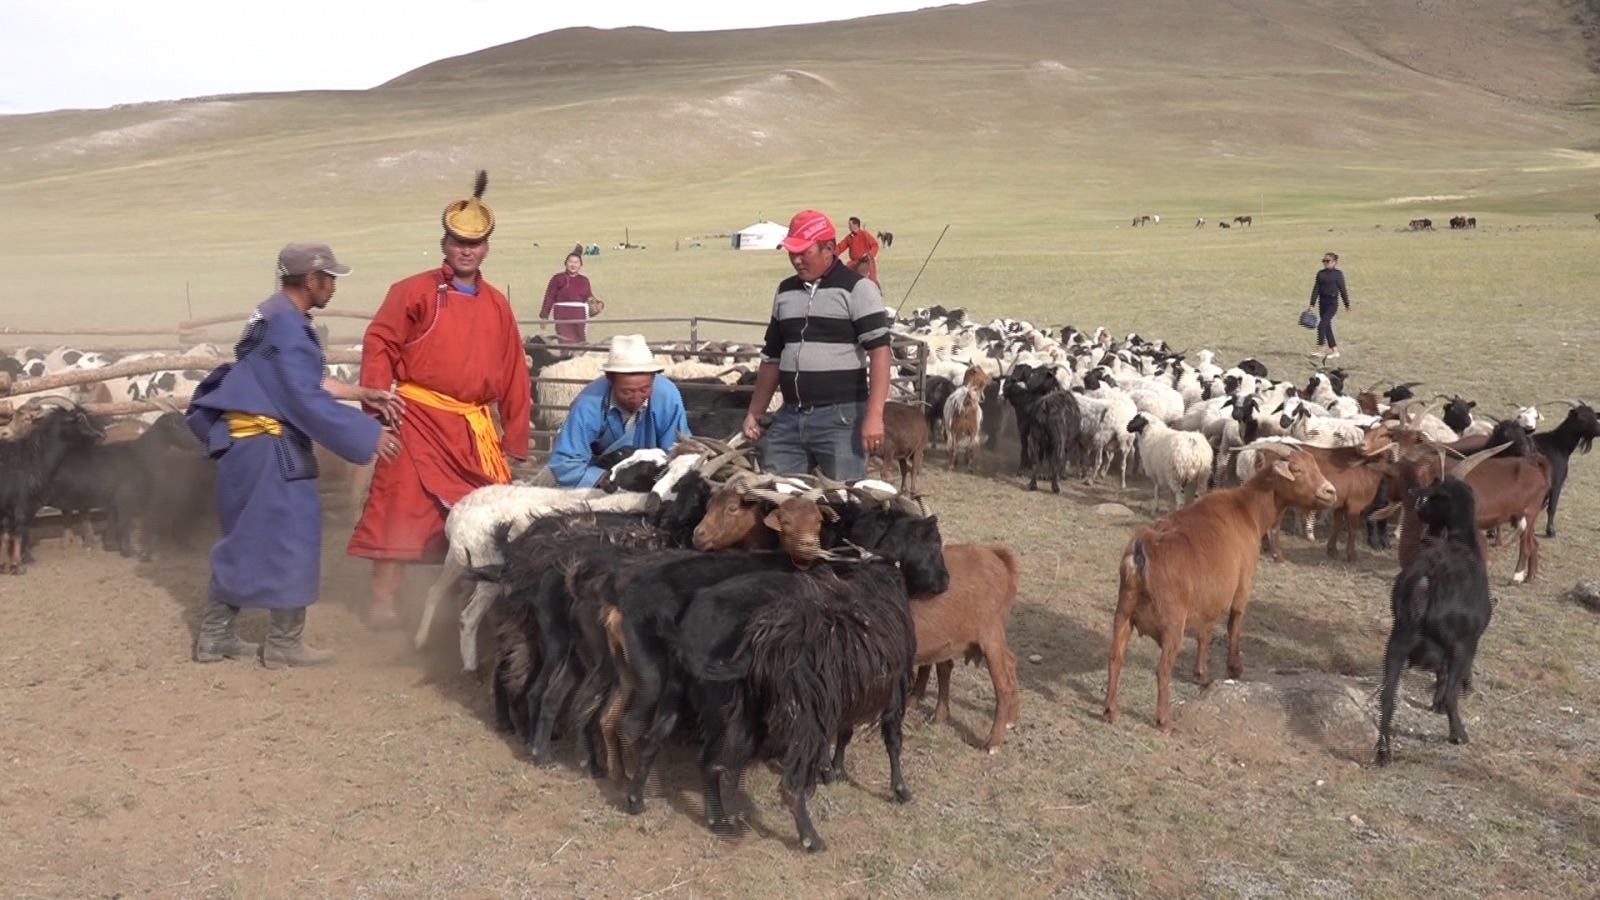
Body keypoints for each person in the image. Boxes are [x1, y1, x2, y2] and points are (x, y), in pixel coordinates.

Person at [186, 242, 405, 667]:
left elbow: (299, 379)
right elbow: (302, 397)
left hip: (244, 446)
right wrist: (367, 433)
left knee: (245, 536)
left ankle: (215, 637)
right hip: (271, 446)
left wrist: (360, 391)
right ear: (311, 280)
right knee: (295, 534)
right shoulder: (288, 326)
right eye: (330, 279)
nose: (334, 287)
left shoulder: (269, 313)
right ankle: (285, 644)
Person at [347, 171, 532, 627]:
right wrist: (377, 415)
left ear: (487, 246)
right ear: (444, 242)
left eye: (477, 242)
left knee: (484, 513)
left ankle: (461, 602)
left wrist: (516, 442)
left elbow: (513, 374)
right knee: (399, 505)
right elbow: (380, 345)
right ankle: (384, 601)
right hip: (417, 420)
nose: (466, 250)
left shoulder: (496, 304)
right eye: (457, 241)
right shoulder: (413, 291)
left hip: (473, 428)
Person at [741, 209, 892, 481]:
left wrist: (874, 415)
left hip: (841, 419)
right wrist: (755, 411)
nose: (796, 260)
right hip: (789, 415)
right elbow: (772, 356)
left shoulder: (858, 290)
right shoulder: (785, 291)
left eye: (804, 252)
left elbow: (880, 355)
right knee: (777, 496)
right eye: (791, 253)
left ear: (829, 249)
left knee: (844, 500)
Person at [541, 334, 692, 488]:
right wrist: (605, 479)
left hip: (655, 477)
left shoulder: (666, 396)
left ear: (654, 378)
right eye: (627, 392)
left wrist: (659, 480)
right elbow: (565, 461)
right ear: (609, 380)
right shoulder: (589, 403)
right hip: (601, 481)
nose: (636, 397)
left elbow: (677, 450)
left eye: (644, 389)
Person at [540, 250, 600, 344]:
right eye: (570, 262)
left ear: (580, 265)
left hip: (580, 314)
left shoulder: (584, 280)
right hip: (562, 314)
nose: (573, 265)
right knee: (565, 341)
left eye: (576, 262)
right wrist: (544, 316)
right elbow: (549, 297)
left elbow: (588, 296)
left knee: (580, 341)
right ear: (566, 263)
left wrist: (594, 303)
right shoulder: (558, 278)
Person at [1309, 251, 1351, 359]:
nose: (1325, 263)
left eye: (1327, 261)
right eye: (1324, 261)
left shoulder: (1338, 274)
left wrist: (1347, 303)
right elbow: (1316, 289)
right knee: (1326, 327)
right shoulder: (1320, 274)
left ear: (1334, 262)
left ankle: (1321, 350)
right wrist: (1312, 304)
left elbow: (1342, 289)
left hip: (1332, 303)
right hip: (1322, 302)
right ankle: (1335, 351)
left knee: (1321, 325)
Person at [834, 215, 881, 285]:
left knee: (861, 274)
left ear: (856, 225)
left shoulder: (864, 235)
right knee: (845, 273)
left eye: (850, 225)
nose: (849, 227)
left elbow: (875, 245)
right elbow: (840, 247)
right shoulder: (849, 237)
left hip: (865, 261)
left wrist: (869, 254)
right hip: (854, 262)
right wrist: (832, 254)